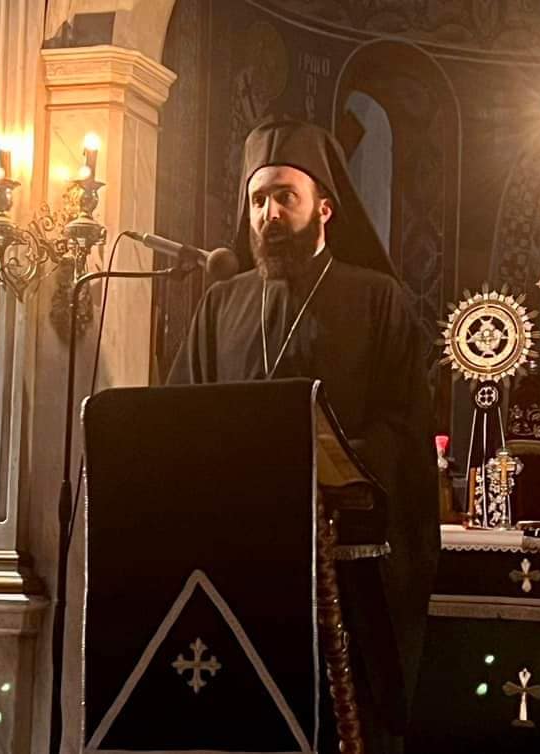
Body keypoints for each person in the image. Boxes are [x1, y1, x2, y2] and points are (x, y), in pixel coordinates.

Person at [167, 117, 439, 754]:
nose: (268, 214)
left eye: (285, 197)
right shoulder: (220, 305)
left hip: (343, 566)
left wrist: (332, 463)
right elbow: (182, 417)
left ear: (324, 207)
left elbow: (404, 426)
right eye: (258, 200)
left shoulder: (378, 300)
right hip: (241, 560)